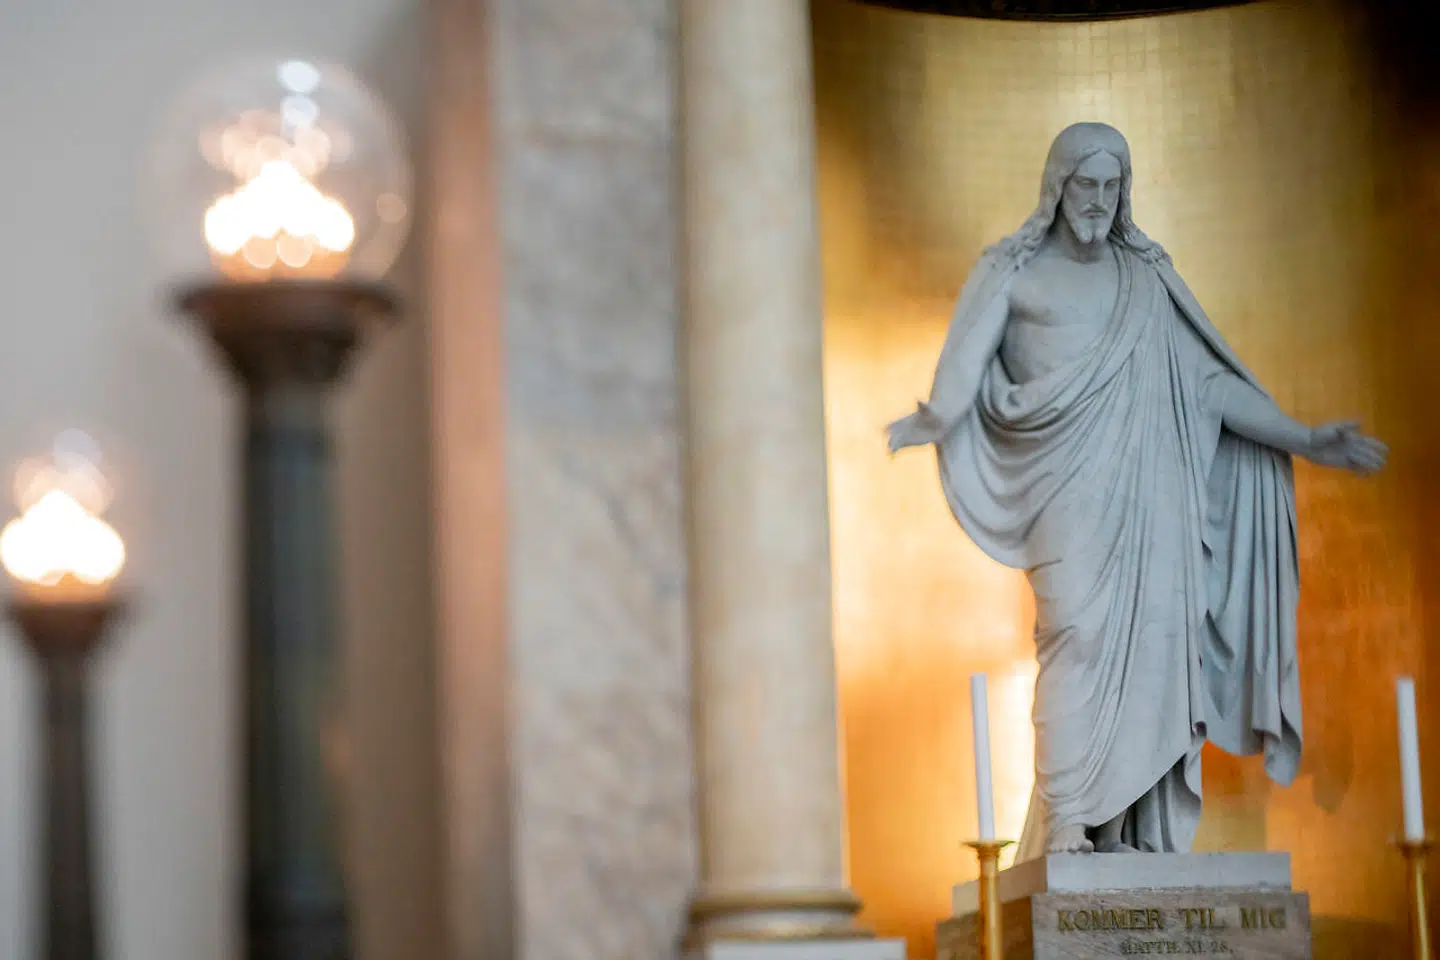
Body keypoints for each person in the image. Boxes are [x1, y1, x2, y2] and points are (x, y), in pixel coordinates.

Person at [888, 122, 1386, 855]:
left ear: (1125, 193)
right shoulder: (1011, 271)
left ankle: (1124, 830)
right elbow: (965, 362)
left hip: (1152, 501)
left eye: (1110, 186)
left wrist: (1305, 437)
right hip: (1064, 491)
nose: (1096, 200)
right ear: (1057, 187)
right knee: (1077, 636)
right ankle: (1065, 818)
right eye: (1083, 185)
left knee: (1156, 645)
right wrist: (937, 415)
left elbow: (1209, 387)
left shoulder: (1145, 280)